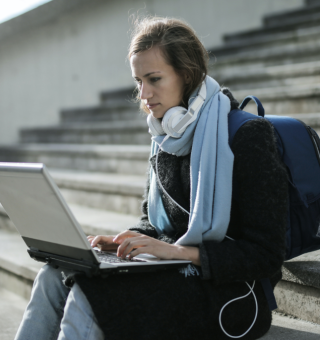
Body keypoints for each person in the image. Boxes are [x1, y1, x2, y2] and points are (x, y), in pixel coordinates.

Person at [15, 16, 288, 340]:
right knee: (53, 274)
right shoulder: (165, 136)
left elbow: (266, 253)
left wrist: (176, 252)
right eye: (138, 81)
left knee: (92, 294)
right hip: (173, 270)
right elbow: (153, 223)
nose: (144, 94)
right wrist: (119, 241)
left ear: (186, 75)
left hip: (232, 292)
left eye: (154, 79)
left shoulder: (247, 135)